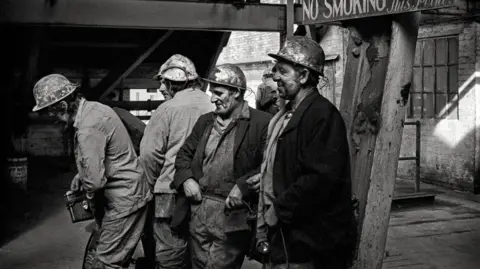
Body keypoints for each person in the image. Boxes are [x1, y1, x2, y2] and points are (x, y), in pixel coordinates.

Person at [254, 36, 357, 269]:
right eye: (275, 70)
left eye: (282, 71)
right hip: (289, 238)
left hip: (311, 243)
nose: (275, 76)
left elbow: (321, 178)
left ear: (303, 76)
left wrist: (280, 209)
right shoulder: (288, 114)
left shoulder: (322, 115)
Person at [32, 74, 152, 269]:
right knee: (106, 256)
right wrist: (83, 173)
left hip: (125, 199)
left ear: (62, 106)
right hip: (132, 191)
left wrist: (87, 191)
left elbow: (95, 182)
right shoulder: (97, 109)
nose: (51, 118)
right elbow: (109, 152)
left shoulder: (87, 128)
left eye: (51, 112)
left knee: (105, 262)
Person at [169, 64, 272, 269]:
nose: (212, 99)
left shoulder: (261, 123)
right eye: (211, 93)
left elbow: (270, 165)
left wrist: (243, 186)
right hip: (199, 209)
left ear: (235, 92)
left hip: (232, 213)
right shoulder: (205, 122)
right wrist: (187, 179)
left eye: (218, 93)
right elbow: (183, 156)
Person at [139, 54, 214, 269]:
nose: (161, 87)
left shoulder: (167, 109)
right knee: (201, 250)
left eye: (164, 82)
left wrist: (153, 184)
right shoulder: (213, 104)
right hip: (206, 192)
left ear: (175, 83)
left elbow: (149, 155)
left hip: (169, 192)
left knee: (170, 251)